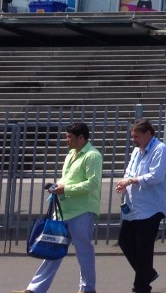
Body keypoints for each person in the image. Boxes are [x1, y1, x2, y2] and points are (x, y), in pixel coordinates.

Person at [13, 122, 102, 293]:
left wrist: (65, 189)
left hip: (82, 210)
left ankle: (87, 289)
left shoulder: (93, 156)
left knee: (83, 252)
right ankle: (35, 289)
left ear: (82, 138)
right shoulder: (71, 154)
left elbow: (92, 184)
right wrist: (57, 186)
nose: (66, 140)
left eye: (70, 137)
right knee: (53, 249)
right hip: (64, 209)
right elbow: (67, 178)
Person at [116, 118, 166, 293]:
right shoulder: (136, 151)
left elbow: (156, 176)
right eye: (132, 137)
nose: (134, 140)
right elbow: (129, 170)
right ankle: (147, 273)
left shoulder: (160, 150)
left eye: (137, 136)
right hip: (134, 206)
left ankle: (141, 286)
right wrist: (124, 182)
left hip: (151, 207)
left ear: (148, 134)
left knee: (143, 246)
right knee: (124, 241)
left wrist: (131, 180)